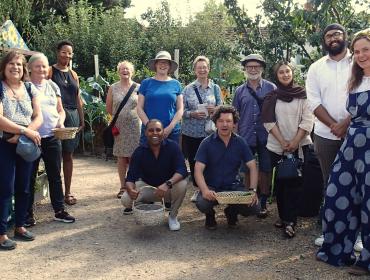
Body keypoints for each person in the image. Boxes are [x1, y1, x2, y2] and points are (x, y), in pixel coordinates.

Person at [316, 28, 370, 276]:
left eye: (365, 50)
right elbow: (355, 112)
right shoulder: (356, 80)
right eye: (357, 51)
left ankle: (367, 260)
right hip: (352, 145)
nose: (360, 55)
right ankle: (338, 249)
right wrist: (344, 125)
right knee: (338, 193)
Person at [306, 23, 362, 251]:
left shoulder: (359, 63)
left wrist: (346, 123)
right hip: (325, 135)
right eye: (329, 35)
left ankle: (357, 236)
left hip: (357, 132)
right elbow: (313, 101)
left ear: (345, 37)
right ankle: (330, 234)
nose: (333, 38)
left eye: (337, 34)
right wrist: (333, 125)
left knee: (358, 185)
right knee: (331, 184)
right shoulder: (316, 68)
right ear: (324, 40)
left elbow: (364, 95)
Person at [261, 61, 314, 238]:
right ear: (276, 76)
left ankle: (290, 221)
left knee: (295, 182)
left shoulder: (303, 95)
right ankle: (283, 217)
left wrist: (294, 142)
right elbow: (268, 121)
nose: (285, 74)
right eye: (281, 72)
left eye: (288, 71)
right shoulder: (272, 96)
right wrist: (283, 142)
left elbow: (308, 121)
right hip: (276, 146)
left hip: (299, 145)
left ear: (292, 73)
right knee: (281, 183)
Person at [25, 53, 75, 227]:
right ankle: (27, 214)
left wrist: (61, 121)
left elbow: (60, 110)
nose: (41, 69)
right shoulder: (25, 87)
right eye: (37, 66)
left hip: (52, 136)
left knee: (55, 175)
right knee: (29, 177)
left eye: (44, 66)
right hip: (32, 138)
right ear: (30, 68)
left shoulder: (53, 86)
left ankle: (59, 210)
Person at [0, 51, 42, 250]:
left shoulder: (29, 88)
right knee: (5, 188)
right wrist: (23, 131)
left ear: (23, 68)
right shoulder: (0, 87)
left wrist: (24, 135)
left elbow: (38, 116)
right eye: (11, 63)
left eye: (19, 64)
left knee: (24, 187)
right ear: (4, 67)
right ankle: (1, 234)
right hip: (5, 144)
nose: (15, 67)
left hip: (25, 144)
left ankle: (20, 226)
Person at [194, 105, 260, 230]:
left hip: (233, 187)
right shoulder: (206, 143)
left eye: (229, 121)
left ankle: (231, 212)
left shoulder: (240, 142)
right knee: (202, 203)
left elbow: (252, 166)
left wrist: (253, 190)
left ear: (234, 124)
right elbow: (198, 170)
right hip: (212, 187)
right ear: (216, 123)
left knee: (254, 207)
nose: (225, 124)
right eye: (221, 121)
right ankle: (210, 215)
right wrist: (204, 190)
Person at [121, 119, 188, 231]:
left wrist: (167, 184)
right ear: (146, 133)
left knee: (182, 184)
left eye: (158, 130)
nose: (155, 133)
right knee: (126, 199)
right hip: (149, 188)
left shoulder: (173, 147)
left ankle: (172, 216)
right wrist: (130, 189)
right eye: (151, 130)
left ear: (163, 132)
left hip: (168, 189)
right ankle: (147, 206)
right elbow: (131, 176)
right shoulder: (139, 151)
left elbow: (182, 170)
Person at [232, 54, 276, 217]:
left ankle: (263, 203)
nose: (252, 69)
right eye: (249, 66)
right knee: (247, 170)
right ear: (245, 69)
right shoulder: (239, 91)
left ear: (262, 68)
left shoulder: (271, 88)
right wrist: (234, 136)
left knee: (265, 170)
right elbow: (234, 115)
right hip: (245, 136)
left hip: (267, 136)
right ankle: (248, 201)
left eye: (256, 66)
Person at [181, 56, 222, 202]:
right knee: (194, 161)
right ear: (195, 70)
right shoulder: (187, 89)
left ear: (209, 69)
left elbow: (222, 109)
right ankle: (198, 190)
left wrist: (215, 109)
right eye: (199, 68)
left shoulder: (215, 88)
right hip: (191, 132)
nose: (202, 70)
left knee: (211, 161)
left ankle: (210, 187)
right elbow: (181, 111)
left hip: (209, 133)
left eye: (204, 67)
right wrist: (192, 113)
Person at [49, 40, 84, 206]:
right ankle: (56, 195)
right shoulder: (49, 71)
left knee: (68, 156)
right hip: (55, 117)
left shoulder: (74, 74)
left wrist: (82, 119)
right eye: (64, 52)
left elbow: (78, 98)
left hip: (73, 116)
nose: (67, 55)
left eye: (70, 53)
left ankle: (68, 192)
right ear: (58, 52)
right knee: (54, 157)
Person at [105, 61, 141, 200]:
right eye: (122, 69)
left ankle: (132, 185)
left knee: (134, 157)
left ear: (132, 72)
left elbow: (143, 106)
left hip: (135, 127)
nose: (125, 71)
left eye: (127, 69)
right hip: (119, 127)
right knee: (121, 157)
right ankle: (122, 186)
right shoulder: (113, 88)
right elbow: (109, 108)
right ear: (118, 71)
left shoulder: (139, 87)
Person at [137, 51, 183, 144]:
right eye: (160, 62)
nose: (163, 65)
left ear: (170, 66)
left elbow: (180, 109)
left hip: (171, 131)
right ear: (155, 65)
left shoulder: (176, 84)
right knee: (148, 157)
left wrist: (170, 128)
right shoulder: (146, 83)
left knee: (170, 158)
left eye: (166, 62)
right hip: (149, 131)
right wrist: (150, 127)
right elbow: (139, 108)